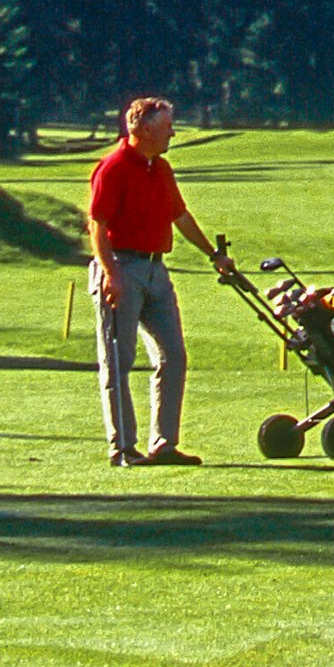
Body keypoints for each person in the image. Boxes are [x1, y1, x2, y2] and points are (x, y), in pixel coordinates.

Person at [88, 95, 223, 466]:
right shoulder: (113, 168)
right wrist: (111, 274)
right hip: (121, 267)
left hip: (156, 269)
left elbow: (179, 216)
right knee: (118, 359)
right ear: (144, 129)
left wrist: (214, 255)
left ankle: (163, 444)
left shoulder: (161, 169)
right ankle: (123, 447)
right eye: (166, 127)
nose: (173, 133)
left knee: (173, 355)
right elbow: (96, 225)